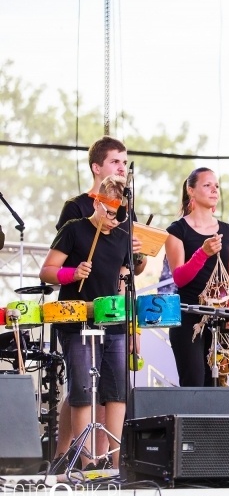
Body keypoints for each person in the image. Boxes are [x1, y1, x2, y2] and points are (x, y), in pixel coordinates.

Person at [52, 136, 146, 469]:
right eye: (115, 161)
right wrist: (73, 272)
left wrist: (136, 256)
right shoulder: (76, 211)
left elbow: (129, 268)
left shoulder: (124, 215)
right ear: (96, 167)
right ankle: (70, 455)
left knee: (112, 389)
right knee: (81, 388)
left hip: (112, 310)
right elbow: (59, 261)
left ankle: (108, 460)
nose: (121, 167)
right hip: (79, 308)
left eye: (124, 161)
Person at [165, 167, 229, 387]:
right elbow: (179, 278)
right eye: (207, 185)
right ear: (191, 190)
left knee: (218, 384)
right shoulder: (176, 231)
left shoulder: (228, 232)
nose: (214, 190)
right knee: (194, 382)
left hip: (221, 316)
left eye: (216, 186)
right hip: (188, 317)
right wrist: (203, 253)